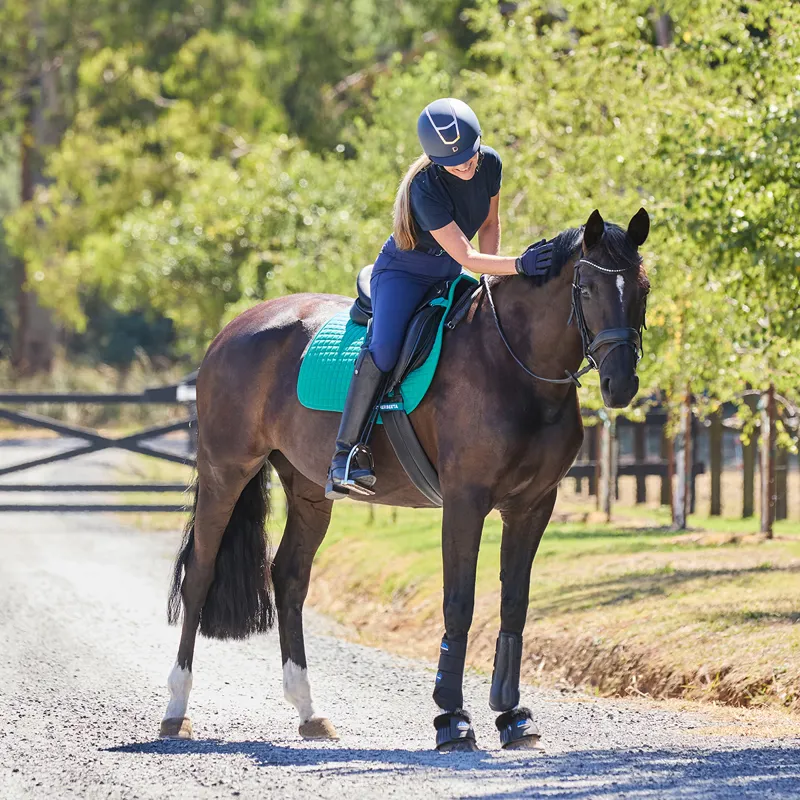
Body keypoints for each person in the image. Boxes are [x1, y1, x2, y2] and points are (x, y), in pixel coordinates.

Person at [325, 97, 553, 499]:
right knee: (386, 348)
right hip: (405, 275)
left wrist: (494, 269)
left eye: (470, 154)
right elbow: (465, 254)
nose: (465, 165)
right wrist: (518, 264)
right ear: (433, 159)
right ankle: (345, 455)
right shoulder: (424, 189)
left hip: (448, 273)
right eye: (454, 161)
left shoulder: (491, 163)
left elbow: (489, 222)